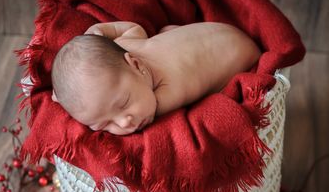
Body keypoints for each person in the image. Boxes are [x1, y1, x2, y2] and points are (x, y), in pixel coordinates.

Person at [51, 21, 261, 135]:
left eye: (124, 103)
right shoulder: (126, 45)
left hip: (243, 58)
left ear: (136, 64)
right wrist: (103, 30)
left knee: (216, 98)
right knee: (166, 32)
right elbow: (136, 28)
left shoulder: (166, 96)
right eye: (103, 125)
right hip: (220, 30)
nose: (125, 122)